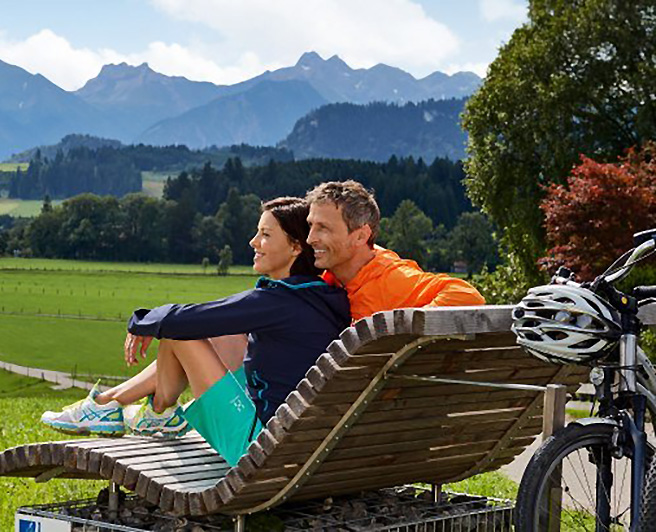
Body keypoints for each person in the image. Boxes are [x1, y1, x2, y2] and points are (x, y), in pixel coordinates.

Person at [41, 197, 350, 466]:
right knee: (224, 334)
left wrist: (144, 320)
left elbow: (192, 320)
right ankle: (111, 403)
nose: (253, 243)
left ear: (296, 246)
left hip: (261, 449)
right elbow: (221, 321)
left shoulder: (279, 301)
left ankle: (156, 411)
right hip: (301, 441)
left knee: (179, 333)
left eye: (265, 235)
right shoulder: (317, 294)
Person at [305, 180, 485, 320]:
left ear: (360, 236)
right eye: (311, 226)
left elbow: (467, 296)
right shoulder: (331, 279)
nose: (310, 239)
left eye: (324, 228)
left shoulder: (392, 279)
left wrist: (406, 327)